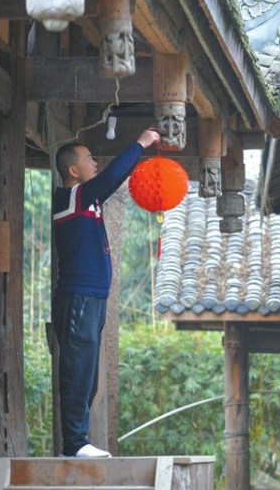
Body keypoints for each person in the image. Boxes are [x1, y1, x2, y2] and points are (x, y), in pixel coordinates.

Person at [52, 127, 160, 458]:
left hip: (92, 297)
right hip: (77, 297)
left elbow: (109, 180)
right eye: (89, 158)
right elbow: (112, 175)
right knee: (78, 369)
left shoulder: (87, 199)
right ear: (73, 170)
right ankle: (74, 443)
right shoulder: (72, 196)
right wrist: (139, 143)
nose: (95, 162)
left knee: (88, 373)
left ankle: (78, 442)